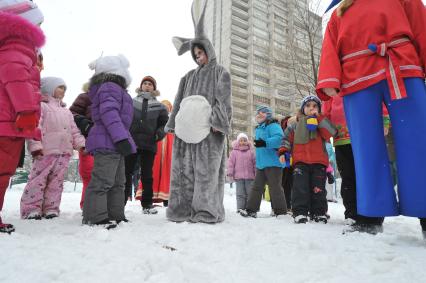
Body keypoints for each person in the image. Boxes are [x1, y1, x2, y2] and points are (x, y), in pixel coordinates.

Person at [318, 0, 426, 235]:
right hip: (356, 79)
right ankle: (370, 214)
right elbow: (330, 46)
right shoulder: (340, 11)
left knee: (418, 142)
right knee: (366, 147)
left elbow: (421, 26)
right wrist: (329, 79)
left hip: (402, 67)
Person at [165, 1, 232, 223]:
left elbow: (223, 100)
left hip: (208, 132)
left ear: (208, 51)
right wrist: (173, 123)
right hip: (186, 132)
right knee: (183, 172)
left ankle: (206, 211)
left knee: (206, 173)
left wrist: (219, 122)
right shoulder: (188, 77)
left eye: (201, 53)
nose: (198, 57)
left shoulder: (220, 73)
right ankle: (181, 210)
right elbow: (178, 100)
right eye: (195, 55)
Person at [0, 0, 45, 233]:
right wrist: (27, 111)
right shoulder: (17, 46)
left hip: (9, 121)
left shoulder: (10, 45)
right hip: (8, 123)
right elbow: (16, 78)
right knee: (1, 172)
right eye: (38, 23)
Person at [82, 54, 136, 229]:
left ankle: (115, 214)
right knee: (103, 180)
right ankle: (95, 216)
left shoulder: (116, 89)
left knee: (118, 182)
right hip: (108, 141)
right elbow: (109, 114)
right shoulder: (110, 87)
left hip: (114, 140)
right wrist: (121, 138)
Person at [20, 77, 85, 219]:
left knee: (57, 182)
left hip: (64, 152)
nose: (63, 91)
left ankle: (51, 208)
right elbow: (35, 126)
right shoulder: (41, 106)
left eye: (64, 88)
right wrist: (35, 146)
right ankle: (31, 209)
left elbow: (74, 131)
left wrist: (81, 144)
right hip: (46, 151)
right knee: (38, 180)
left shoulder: (66, 111)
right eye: (60, 87)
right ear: (49, 88)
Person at [278, 96, 337, 224]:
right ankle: (300, 212)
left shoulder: (322, 122)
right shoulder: (295, 124)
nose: (311, 108)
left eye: (315, 106)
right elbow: (286, 139)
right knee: (300, 188)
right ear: (302, 108)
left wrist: (320, 118)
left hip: (319, 163)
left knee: (319, 189)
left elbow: (331, 133)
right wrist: (283, 151)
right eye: (308, 105)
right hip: (300, 162)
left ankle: (319, 213)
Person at [125, 75, 168, 214]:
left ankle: (147, 204)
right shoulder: (130, 102)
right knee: (126, 172)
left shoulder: (160, 107)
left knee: (147, 175)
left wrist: (158, 134)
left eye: (150, 84)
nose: (147, 85)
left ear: (154, 88)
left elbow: (164, 125)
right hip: (131, 142)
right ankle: (120, 202)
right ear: (141, 86)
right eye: (145, 83)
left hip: (149, 144)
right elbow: (124, 118)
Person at [240, 106, 287, 218]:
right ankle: (251, 210)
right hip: (261, 164)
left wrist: (265, 143)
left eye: (263, 113)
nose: (260, 114)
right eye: (258, 113)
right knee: (256, 187)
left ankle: (280, 211)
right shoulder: (259, 128)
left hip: (273, 163)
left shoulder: (273, 125)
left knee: (275, 187)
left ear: (269, 115)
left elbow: (280, 139)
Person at [69, 83, 94, 210]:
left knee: (103, 175)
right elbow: (72, 113)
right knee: (88, 174)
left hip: (105, 144)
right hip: (87, 142)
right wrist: (84, 123)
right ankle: (87, 205)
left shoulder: (109, 99)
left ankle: (99, 205)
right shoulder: (85, 97)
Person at [227, 133, 256, 213]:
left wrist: (256, 173)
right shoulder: (234, 152)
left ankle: (249, 209)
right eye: (241, 140)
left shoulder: (251, 152)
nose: (242, 142)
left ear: (247, 141)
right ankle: (240, 208)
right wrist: (230, 173)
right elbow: (230, 163)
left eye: (244, 140)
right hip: (238, 177)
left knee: (249, 194)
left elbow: (255, 163)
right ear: (238, 141)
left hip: (250, 177)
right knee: (240, 194)